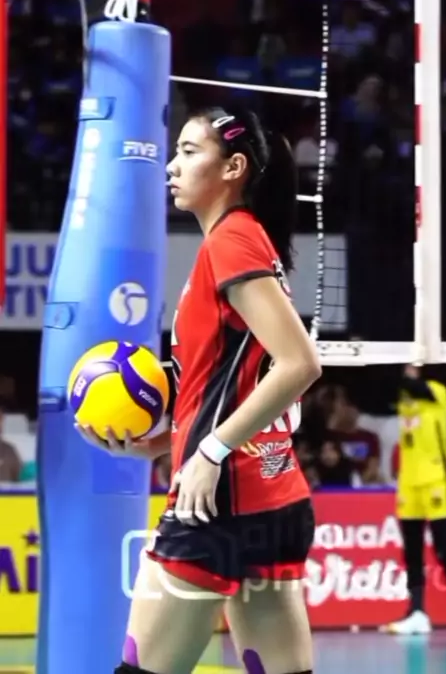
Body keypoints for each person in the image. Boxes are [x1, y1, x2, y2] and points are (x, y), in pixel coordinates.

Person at [77, 103, 321, 674]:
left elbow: (298, 365)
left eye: (189, 152)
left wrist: (209, 452)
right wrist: (165, 444)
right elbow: (233, 383)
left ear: (233, 168)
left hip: (217, 504)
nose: (172, 165)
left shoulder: (232, 242)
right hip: (274, 498)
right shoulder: (248, 240)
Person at [385, 366, 446, 635]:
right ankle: (416, 613)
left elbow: (414, 385)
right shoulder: (402, 396)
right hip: (409, 482)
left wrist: (406, 370)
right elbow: (385, 392)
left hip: (437, 479)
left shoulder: (437, 392)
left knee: (442, 548)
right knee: (411, 551)